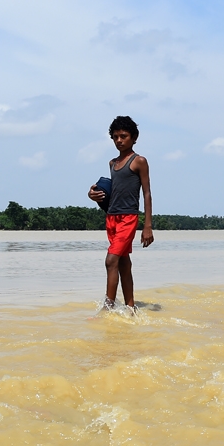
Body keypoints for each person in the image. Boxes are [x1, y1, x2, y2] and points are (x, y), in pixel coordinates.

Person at [87, 115, 154, 312]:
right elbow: (112, 191)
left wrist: (147, 225)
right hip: (111, 217)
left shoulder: (139, 161)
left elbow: (147, 193)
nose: (119, 140)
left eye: (123, 136)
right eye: (115, 137)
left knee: (111, 260)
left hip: (128, 217)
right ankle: (131, 307)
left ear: (134, 137)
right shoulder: (112, 163)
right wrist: (93, 194)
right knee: (123, 262)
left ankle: (107, 308)